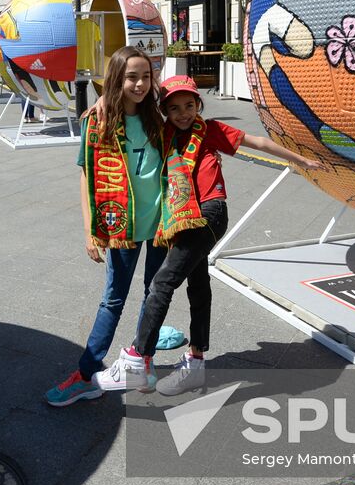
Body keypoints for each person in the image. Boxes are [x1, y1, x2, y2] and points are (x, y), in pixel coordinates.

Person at [97, 74, 320, 396]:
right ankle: (196, 362)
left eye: (189, 105)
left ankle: (137, 359)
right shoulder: (163, 134)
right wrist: (103, 101)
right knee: (198, 286)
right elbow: (130, 114)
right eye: (174, 108)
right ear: (165, 112)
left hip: (210, 214)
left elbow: (257, 142)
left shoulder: (211, 130)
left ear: (199, 104)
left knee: (162, 283)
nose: (183, 113)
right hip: (181, 217)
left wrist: (299, 160)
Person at [45, 46, 168, 407]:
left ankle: (141, 361)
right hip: (121, 226)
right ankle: (86, 375)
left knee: (154, 294)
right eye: (132, 76)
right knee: (113, 299)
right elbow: (86, 178)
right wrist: (89, 231)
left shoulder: (158, 117)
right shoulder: (95, 122)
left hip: (161, 224)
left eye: (146, 76)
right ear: (116, 79)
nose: (141, 84)